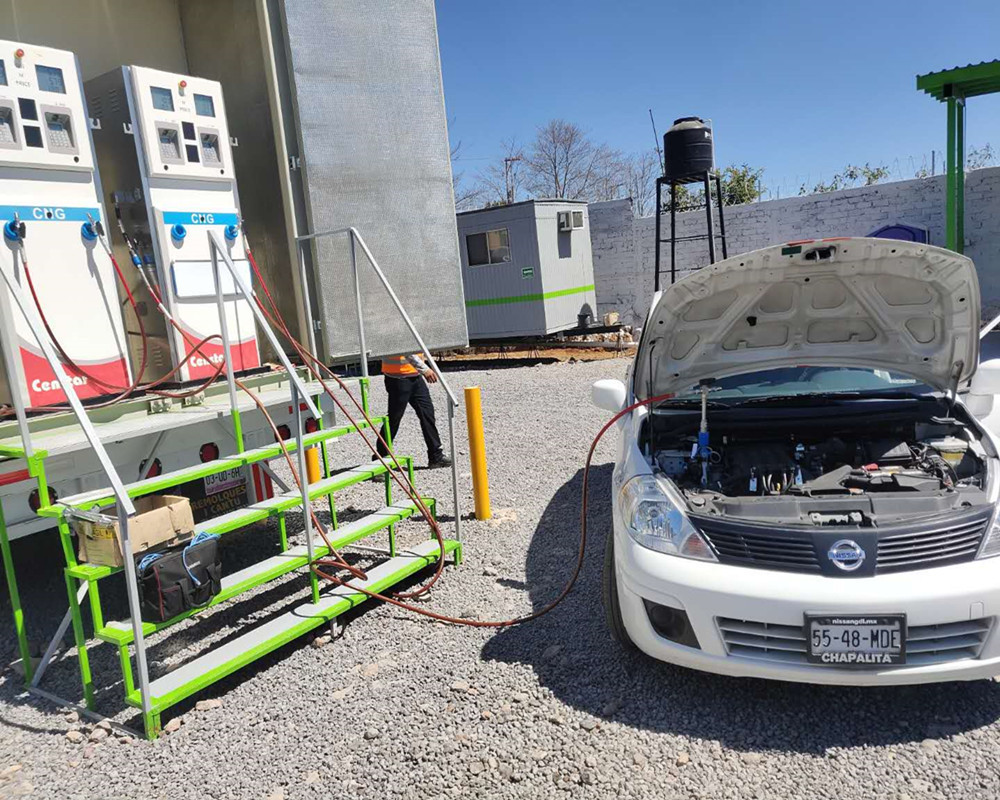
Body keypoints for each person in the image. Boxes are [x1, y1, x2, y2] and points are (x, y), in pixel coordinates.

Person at [376, 353, 452, 468]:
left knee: (427, 414)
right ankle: (379, 460)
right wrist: (424, 369)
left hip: (415, 375)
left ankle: (436, 456)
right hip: (397, 378)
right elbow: (405, 349)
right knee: (394, 419)